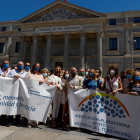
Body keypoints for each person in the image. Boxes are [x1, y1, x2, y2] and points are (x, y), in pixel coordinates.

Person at [7, 61, 27, 127]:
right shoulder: (12, 71)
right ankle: (10, 121)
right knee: (11, 105)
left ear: (23, 66)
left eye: (21, 65)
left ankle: (17, 122)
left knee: (18, 106)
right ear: (16, 65)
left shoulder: (26, 73)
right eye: (19, 64)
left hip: (20, 92)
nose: (20, 66)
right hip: (12, 91)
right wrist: (13, 76)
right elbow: (7, 76)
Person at [25, 63, 44, 128]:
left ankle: (36, 122)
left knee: (37, 108)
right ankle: (29, 122)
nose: (37, 67)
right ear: (33, 67)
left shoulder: (41, 75)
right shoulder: (29, 74)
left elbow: (43, 83)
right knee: (30, 108)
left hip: (38, 94)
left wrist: (43, 81)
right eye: (36, 66)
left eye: (38, 66)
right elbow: (24, 82)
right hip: (30, 93)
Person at [0, 60, 11, 126]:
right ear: (2, 64)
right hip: (1, 89)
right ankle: (2, 119)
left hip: (8, 90)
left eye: (7, 63)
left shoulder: (11, 71)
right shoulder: (0, 70)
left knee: (6, 104)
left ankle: (5, 119)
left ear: (9, 64)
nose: (6, 64)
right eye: (4, 63)